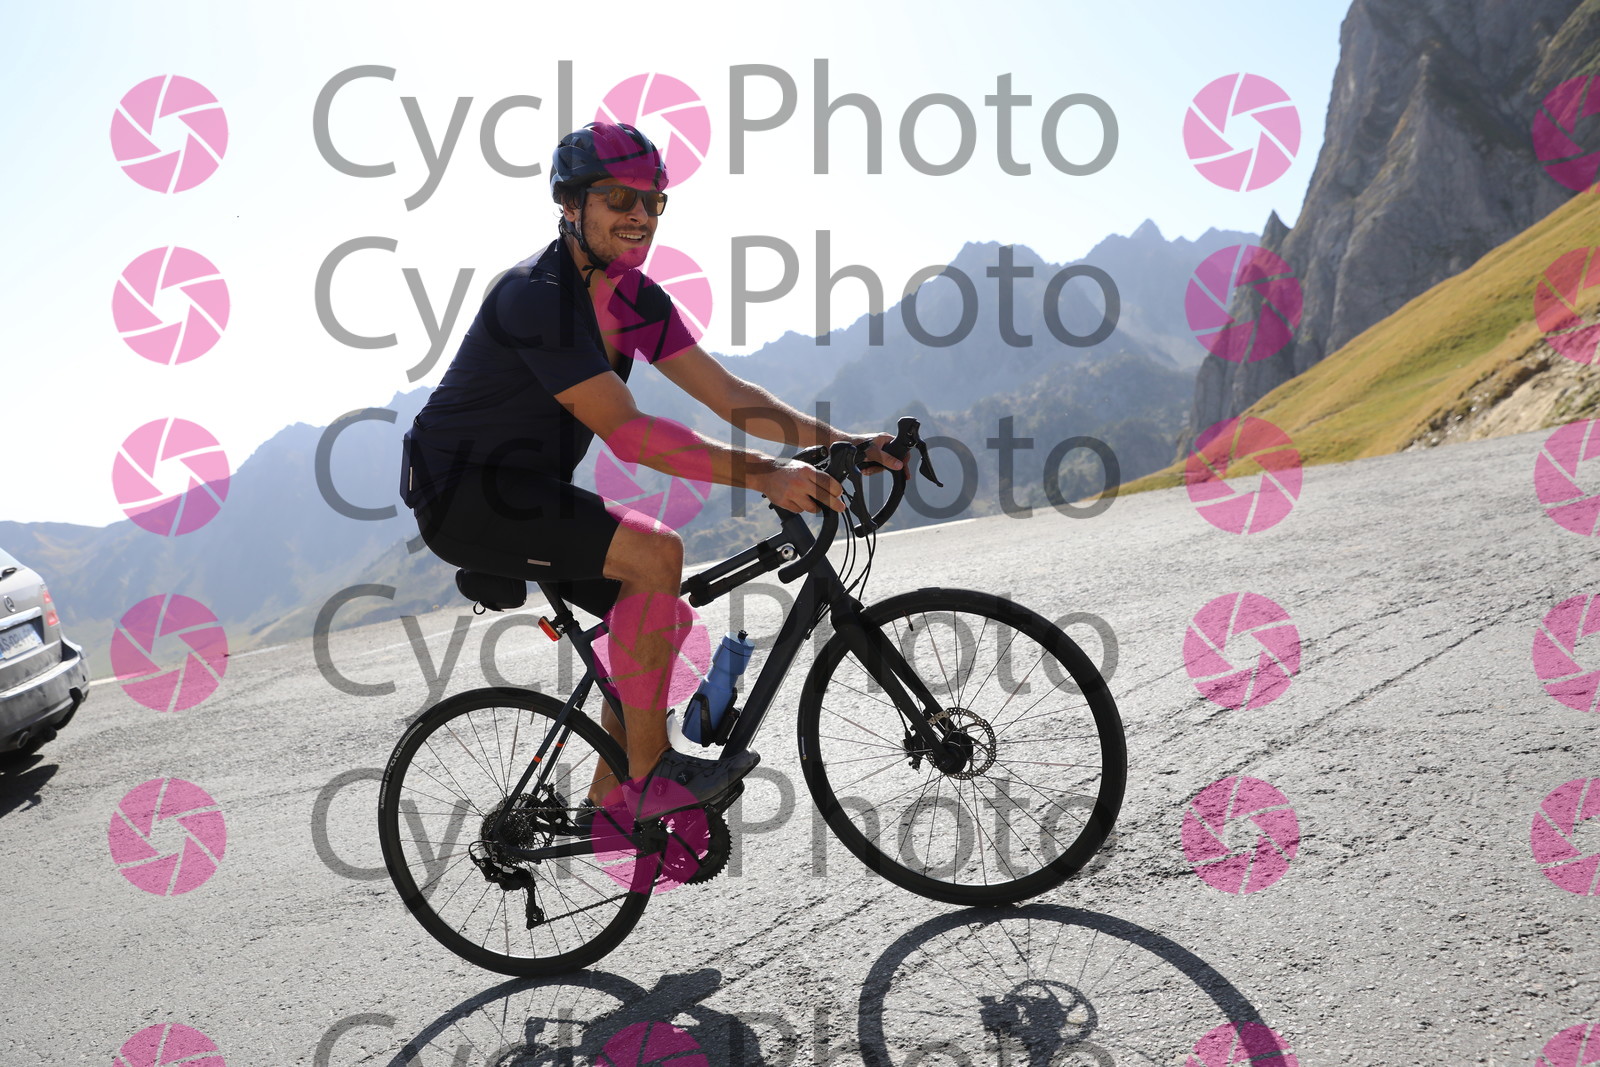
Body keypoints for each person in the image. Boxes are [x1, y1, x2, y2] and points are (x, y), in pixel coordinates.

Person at [403, 121, 902, 808]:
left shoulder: (637, 302)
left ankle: (612, 806)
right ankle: (652, 775)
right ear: (569, 205)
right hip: (461, 494)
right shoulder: (535, 297)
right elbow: (629, 434)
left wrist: (844, 442)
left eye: (652, 200)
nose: (639, 214)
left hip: (531, 488)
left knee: (665, 624)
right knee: (656, 552)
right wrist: (765, 473)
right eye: (618, 198)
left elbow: (731, 395)